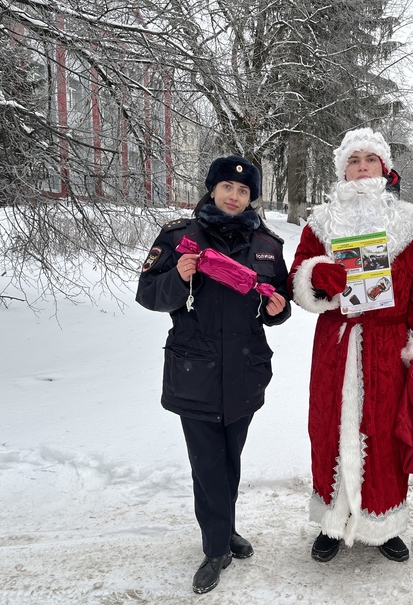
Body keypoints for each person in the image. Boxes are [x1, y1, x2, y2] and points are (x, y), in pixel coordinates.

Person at [287, 128, 413, 563]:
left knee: (386, 434)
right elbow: (298, 275)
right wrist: (317, 277)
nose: (361, 167)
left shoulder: (409, 223)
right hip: (336, 346)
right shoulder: (320, 221)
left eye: (369, 159)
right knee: (329, 431)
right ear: (343, 170)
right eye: (353, 160)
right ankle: (332, 523)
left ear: (385, 167)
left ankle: (385, 522)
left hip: (389, 347)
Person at [135, 155, 291, 594]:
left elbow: (276, 302)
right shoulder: (180, 237)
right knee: (207, 464)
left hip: (245, 368)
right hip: (195, 370)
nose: (234, 196)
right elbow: (147, 294)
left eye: (243, 191)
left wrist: (278, 311)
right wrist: (178, 279)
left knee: (230, 460)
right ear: (212, 189)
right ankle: (215, 547)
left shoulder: (266, 243)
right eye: (227, 187)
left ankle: (225, 530)